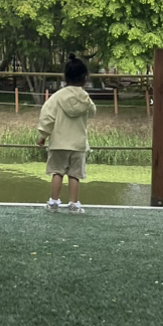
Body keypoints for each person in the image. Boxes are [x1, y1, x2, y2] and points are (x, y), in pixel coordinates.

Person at [36, 55, 97, 214]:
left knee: (57, 172)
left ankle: (53, 203)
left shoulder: (57, 97)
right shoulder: (85, 98)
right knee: (74, 175)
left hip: (58, 143)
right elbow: (92, 111)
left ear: (65, 77)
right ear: (84, 79)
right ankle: (73, 204)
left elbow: (47, 117)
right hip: (78, 144)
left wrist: (43, 135)